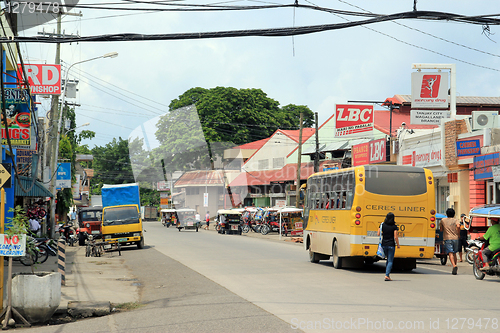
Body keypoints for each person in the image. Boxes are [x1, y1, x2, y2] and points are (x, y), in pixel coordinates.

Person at [377, 212, 399, 281]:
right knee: (390, 261)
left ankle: (387, 274)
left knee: (387, 260)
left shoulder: (382, 225)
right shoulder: (394, 226)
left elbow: (378, 233)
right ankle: (387, 275)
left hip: (384, 244)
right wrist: (398, 245)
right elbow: (395, 236)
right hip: (391, 245)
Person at [440, 208, 461, 275]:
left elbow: (441, 229)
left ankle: (454, 265)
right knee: (455, 253)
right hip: (455, 238)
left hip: (447, 238)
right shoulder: (456, 220)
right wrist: (458, 233)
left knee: (450, 253)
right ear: (454, 214)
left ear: (446, 214)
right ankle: (455, 266)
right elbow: (458, 226)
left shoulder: (443, 220)